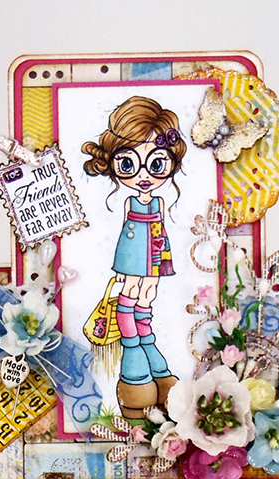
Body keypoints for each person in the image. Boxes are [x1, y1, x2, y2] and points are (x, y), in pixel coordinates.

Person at [82, 96, 187, 418]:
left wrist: (158, 269)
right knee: (129, 301)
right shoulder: (130, 203)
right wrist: (125, 270)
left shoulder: (159, 204)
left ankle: (153, 364)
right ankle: (136, 364)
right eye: (128, 164)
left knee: (144, 302)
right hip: (131, 259)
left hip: (153, 257)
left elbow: (160, 234)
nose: (143, 175)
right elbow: (126, 238)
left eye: (156, 165)